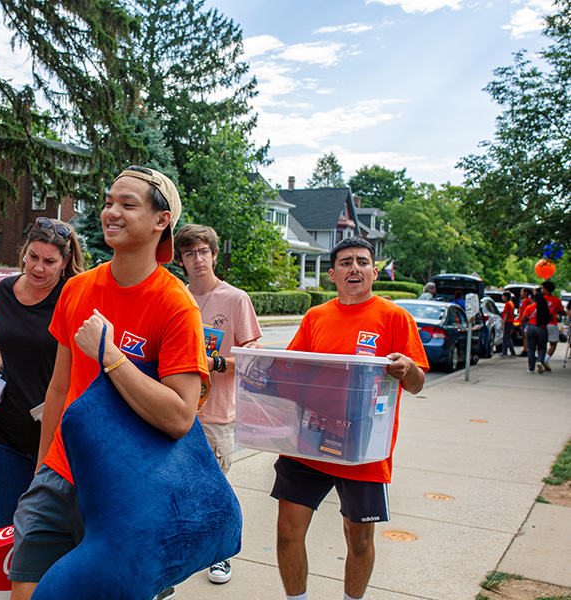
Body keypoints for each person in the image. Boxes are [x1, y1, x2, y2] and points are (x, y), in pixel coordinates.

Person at [8, 166, 208, 600]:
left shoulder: (176, 306)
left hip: (127, 486)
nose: (110, 212)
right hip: (60, 474)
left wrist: (113, 357)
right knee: (26, 591)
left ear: (161, 221)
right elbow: (59, 389)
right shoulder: (77, 289)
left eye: (128, 204)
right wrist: (44, 466)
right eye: (109, 202)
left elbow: (179, 416)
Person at [273, 237, 427, 600]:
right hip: (308, 439)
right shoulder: (316, 317)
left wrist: (406, 369)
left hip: (363, 448)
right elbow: (291, 371)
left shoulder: (394, 317)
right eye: (345, 263)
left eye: (361, 262)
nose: (353, 268)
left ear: (374, 271)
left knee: (358, 538)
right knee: (287, 531)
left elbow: (418, 383)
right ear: (332, 274)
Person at [172, 223, 262, 585]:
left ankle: (221, 555)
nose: (197, 259)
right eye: (190, 253)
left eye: (203, 251)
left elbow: (254, 358)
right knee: (177, 489)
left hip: (216, 414)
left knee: (214, 489)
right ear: (181, 260)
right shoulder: (174, 295)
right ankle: (178, 560)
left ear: (213, 254)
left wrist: (217, 362)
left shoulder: (235, 298)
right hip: (174, 409)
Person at [0, 217, 85, 528]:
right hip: (8, 432)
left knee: (53, 533)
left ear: (65, 262)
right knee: (7, 530)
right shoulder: (6, 290)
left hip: (59, 436)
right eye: (33, 257)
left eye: (49, 261)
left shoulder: (73, 295)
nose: (38, 268)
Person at [521, 290, 550, 374]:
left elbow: (523, 319)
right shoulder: (545, 308)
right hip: (541, 328)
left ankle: (531, 368)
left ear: (534, 299)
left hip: (531, 328)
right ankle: (540, 361)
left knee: (531, 349)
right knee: (542, 348)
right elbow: (549, 319)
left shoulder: (530, 307)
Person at [541, 280, 563, 364]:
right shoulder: (557, 300)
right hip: (552, 324)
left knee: (541, 344)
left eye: (543, 288)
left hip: (541, 324)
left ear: (546, 290)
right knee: (553, 343)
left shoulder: (541, 299)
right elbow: (561, 312)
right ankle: (546, 359)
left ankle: (540, 359)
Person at [501, 292, 516, 357]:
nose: (502, 298)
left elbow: (506, 313)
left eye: (503, 296)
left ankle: (511, 352)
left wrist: (503, 322)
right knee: (506, 337)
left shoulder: (507, 304)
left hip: (508, 322)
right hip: (510, 321)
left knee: (507, 337)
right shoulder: (511, 303)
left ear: (506, 297)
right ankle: (504, 351)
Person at [519, 288, 533, 357]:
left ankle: (526, 350)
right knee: (524, 336)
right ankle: (525, 349)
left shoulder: (527, 301)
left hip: (525, 320)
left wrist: (522, 320)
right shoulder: (526, 300)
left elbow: (525, 311)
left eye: (522, 291)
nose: (521, 293)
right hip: (524, 320)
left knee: (525, 336)